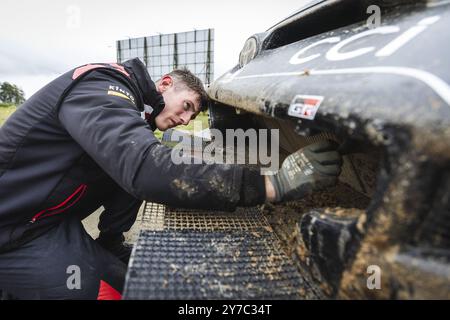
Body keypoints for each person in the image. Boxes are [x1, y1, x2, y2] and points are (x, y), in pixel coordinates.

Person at [0, 58, 342, 299]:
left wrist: (112, 240)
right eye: (187, 105)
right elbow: (144, 169)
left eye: (193, 114)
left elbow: (124, 180)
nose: (185, 118)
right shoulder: (100, 85)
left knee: (128, 279)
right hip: (12, 230)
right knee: (101, 294)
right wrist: (270, 184)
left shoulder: (140, 116)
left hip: (48, 223)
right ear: (164, 84)